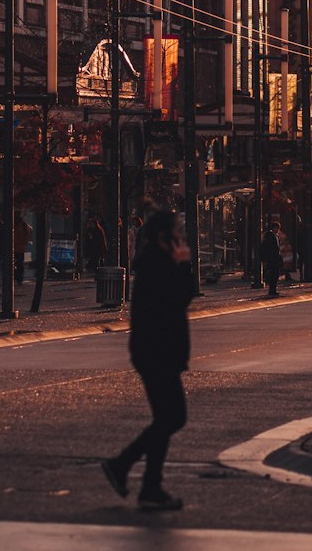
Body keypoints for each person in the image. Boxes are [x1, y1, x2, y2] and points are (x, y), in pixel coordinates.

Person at [101, 209, 192, 511]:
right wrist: (183, 264)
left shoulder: (156, 260)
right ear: (165, 236)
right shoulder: (158, 263)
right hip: (157, 352)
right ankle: (129, 469)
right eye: (176, 232)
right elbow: (179, 297)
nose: (181, 237)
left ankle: (141, 479)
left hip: (156, 351)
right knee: (172, 416)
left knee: (167, 418)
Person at [259, 223, 284, 297]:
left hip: (275, 258)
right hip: (272, 258)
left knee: (275, 274)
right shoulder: (270, 236)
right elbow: (268, 248)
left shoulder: (275, 236)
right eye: (277, 228)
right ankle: (272, 290)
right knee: (274, 274)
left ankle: (273, 289)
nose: (278, 230)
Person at [13, 210, 31, 285]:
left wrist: (24, 243)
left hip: (20, 248)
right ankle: (15, 277)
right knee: (13, 264)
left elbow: (27, 235)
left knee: (19, 264)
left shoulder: (23, 224)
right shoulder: (12, 223)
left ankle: (19, 278)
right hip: (13, 248)